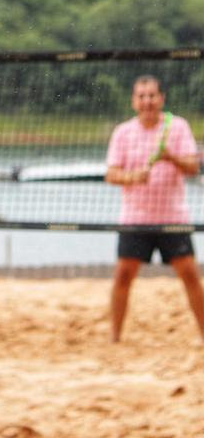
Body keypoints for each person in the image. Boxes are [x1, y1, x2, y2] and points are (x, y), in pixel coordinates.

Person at [105, 74, 204, 343]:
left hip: (172, 216)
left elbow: (194, 167)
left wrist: (170, 156)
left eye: (152, 95)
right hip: (135, 218)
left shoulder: (178, 127)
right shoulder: (123, 132)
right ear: (133, 101)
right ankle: (115, 337)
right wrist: (133, 176)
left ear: (161, 99)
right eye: (142, 96)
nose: (147, 101)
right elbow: (111, 174)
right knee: (123, 276)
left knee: (189, 275)